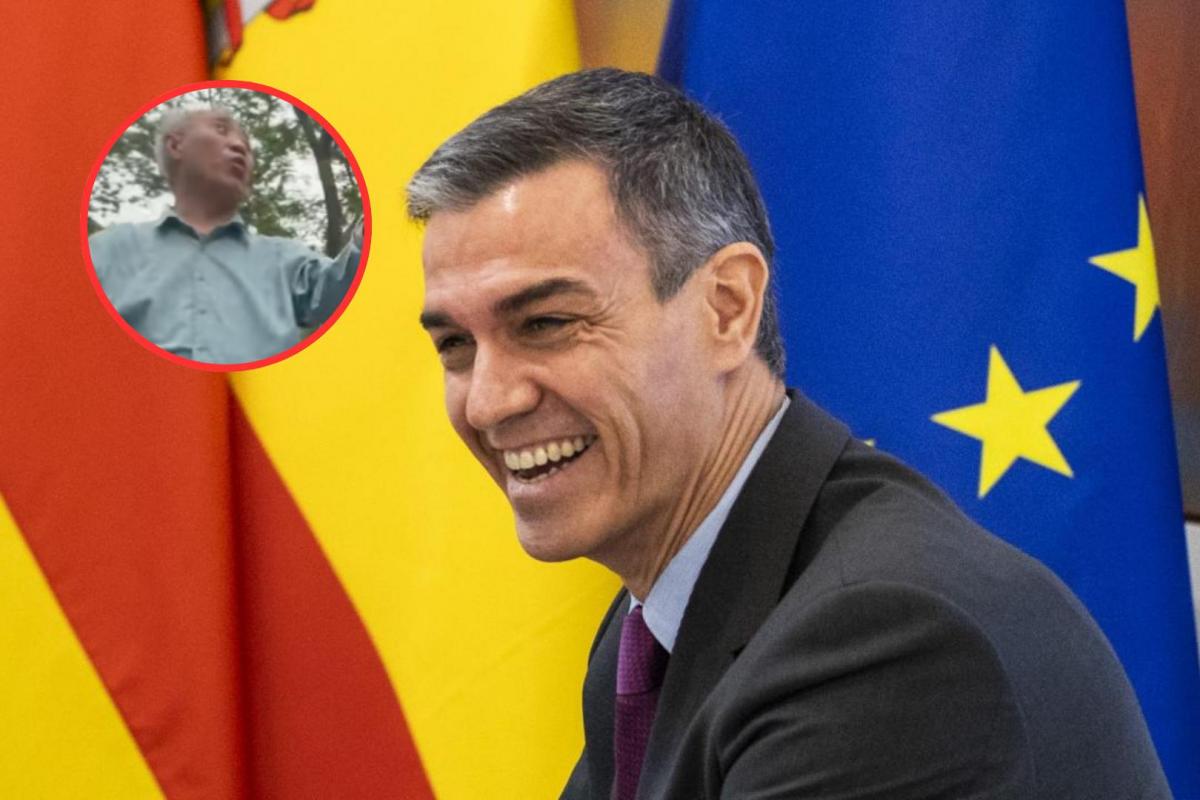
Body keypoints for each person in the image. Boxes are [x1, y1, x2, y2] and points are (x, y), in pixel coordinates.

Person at [408, 69, 1171, 799]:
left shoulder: (884, 642)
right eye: (455, 345)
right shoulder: (661, 614)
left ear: (727, 308)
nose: (489, 402)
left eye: (546, 323)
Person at [89, 105, 361, 365]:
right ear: (175, 145)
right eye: (221, 129)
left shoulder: (285, 261)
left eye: (248, 147)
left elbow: (350, 288)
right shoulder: (106, 252)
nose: (240, 146)